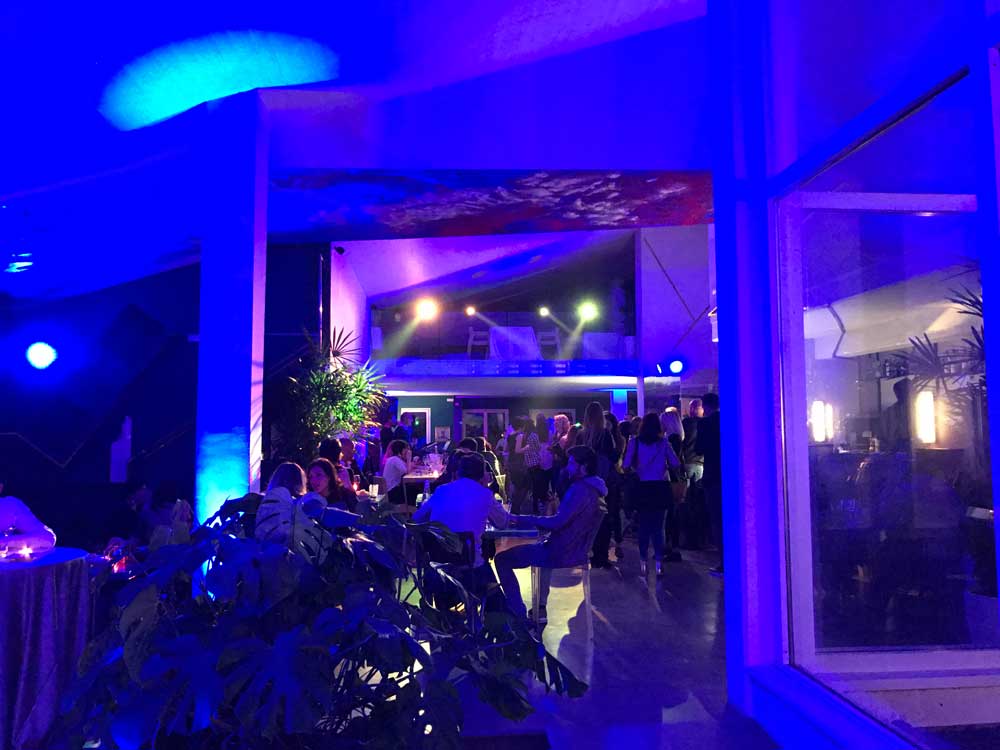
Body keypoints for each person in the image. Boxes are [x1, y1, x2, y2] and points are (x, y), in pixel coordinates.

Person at [494, 445, 607, 622]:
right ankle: (540, 608)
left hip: (560, 551)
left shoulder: (580, 490)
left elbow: (556, 523)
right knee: (539, 548)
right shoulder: (594, 489)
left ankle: (518, 614)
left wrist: (521, 518)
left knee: (502, 559)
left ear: (584, 467)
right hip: (575, 549)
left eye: (572, 463)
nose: (567, 467)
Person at [412, 454, 510, 566]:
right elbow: (502, 523)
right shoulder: (485, 494)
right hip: (470, 564)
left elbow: (416, 518)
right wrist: (486, 486)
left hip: (438, 564)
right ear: (482, 475)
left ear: (458, 473)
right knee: (489, 564)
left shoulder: (441, 490)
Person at [623, 413, 681, 576]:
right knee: (659, 527)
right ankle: (659, 563)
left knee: (643, 526)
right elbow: (676, 463)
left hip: (642, 487)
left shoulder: (634, 443)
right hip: (660, 487)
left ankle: (643, 562)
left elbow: (626, 465)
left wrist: (637, 467)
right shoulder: (664, 443)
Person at [576, 402, 620, 568]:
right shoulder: (605, 434)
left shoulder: (581, 435)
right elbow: (613, 457)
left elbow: (576, 457)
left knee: (588, 518)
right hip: (603, 482)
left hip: (585, 481)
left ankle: (589, 552)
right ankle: (602, 556)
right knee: (604, 518)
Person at [695, 392, 723, 574]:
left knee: (717, 519)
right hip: (728, 473)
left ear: (705, 406)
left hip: (712, 474)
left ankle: (723, 560)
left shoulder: (705, 423)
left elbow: (699, 448)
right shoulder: (727, 420)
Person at [604, 411, 627, 561]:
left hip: (614, 477)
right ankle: (605, 543)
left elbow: (615, 458)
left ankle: (618, 542)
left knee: (614, 510)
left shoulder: (619, 440)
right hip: (604, 478)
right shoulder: (599, 438)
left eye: (607, 423)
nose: (605, 426)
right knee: (605, 512)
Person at [515, 415, 542, 513]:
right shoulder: (534, 435)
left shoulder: (524, 435)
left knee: (526, 487)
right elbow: (538, 447)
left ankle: (523, 508)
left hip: (527, 464)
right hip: (535, 463)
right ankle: (535, 509)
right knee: (535, 487)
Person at [881, 378, 914, 453]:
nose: (903, 394)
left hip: (913, 446)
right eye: (900, 391)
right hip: (895, 447)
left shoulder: (920, 408)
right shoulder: (889, 412)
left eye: (906, 391)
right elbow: (885, 434)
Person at [382, 439, 412, 504]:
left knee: (414, 488)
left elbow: (407, 468)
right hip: (392, 492)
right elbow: (407, 473)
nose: (408, 451)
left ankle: (411, 508)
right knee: (415, 489)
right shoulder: (395, 460)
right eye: (406, 449)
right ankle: (410, 508)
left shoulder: (394, 459)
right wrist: (409, 458)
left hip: (391, 491)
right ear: (400, 450)